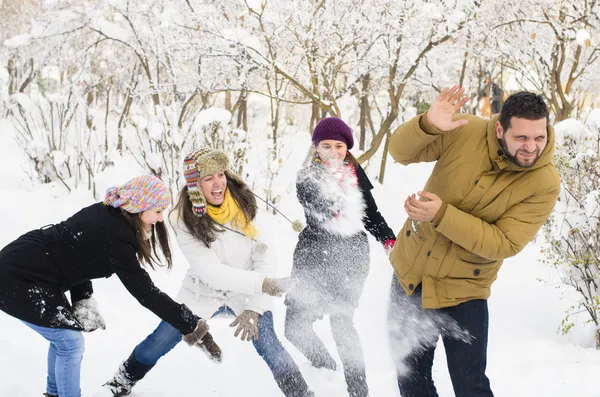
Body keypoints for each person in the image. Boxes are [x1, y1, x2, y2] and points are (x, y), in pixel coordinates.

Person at [387, 85, 561, 396]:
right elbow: (400, 153)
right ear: (499, 128)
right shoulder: (464, 132)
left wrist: (441, 215)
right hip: (411, 276)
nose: (531, 147)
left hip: (465, 290)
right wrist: (427, 125)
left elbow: (504, 242)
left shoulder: (544, 182)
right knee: (411, 378)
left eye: (539, 137)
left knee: (470, 386)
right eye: (521, 137)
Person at [101, 148, 313, 397]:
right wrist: (263, 284)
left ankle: (301, 394)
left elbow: (265, 257)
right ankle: (120, 382)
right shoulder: (182, 216)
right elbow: (210, 270)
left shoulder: (247, 205)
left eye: (221, 174)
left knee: (269, 344)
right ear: (195, 185)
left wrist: (255, 306)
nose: (218, 183)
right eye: (208, 178)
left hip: (248, 291)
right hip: (202, 291)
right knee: (161, 338)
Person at [0, 175, 217, 397]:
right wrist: (190, 324)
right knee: (70, 343)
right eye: (158, 211)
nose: (161, 219)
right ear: (139, 207)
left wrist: (82, 298)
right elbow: (145, 292)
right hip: (17, 275)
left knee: (64, 338)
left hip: (33, 268)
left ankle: (54, 394)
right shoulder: (117, 237)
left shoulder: (109, 213)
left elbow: (76, 252)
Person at [284, 117, 397, 397]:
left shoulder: (356, 174)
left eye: (339, 146)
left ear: (347, 148)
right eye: (326, 146)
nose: (333, 152)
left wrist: (388, 239)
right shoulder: (307, 178)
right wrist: (342, 189)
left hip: (350, 255)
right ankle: (325, 367)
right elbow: (324, 209)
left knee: (341, 321)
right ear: (316, 148)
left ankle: (359, 391)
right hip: (314, 255)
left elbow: (370, 214)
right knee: (294, 327)